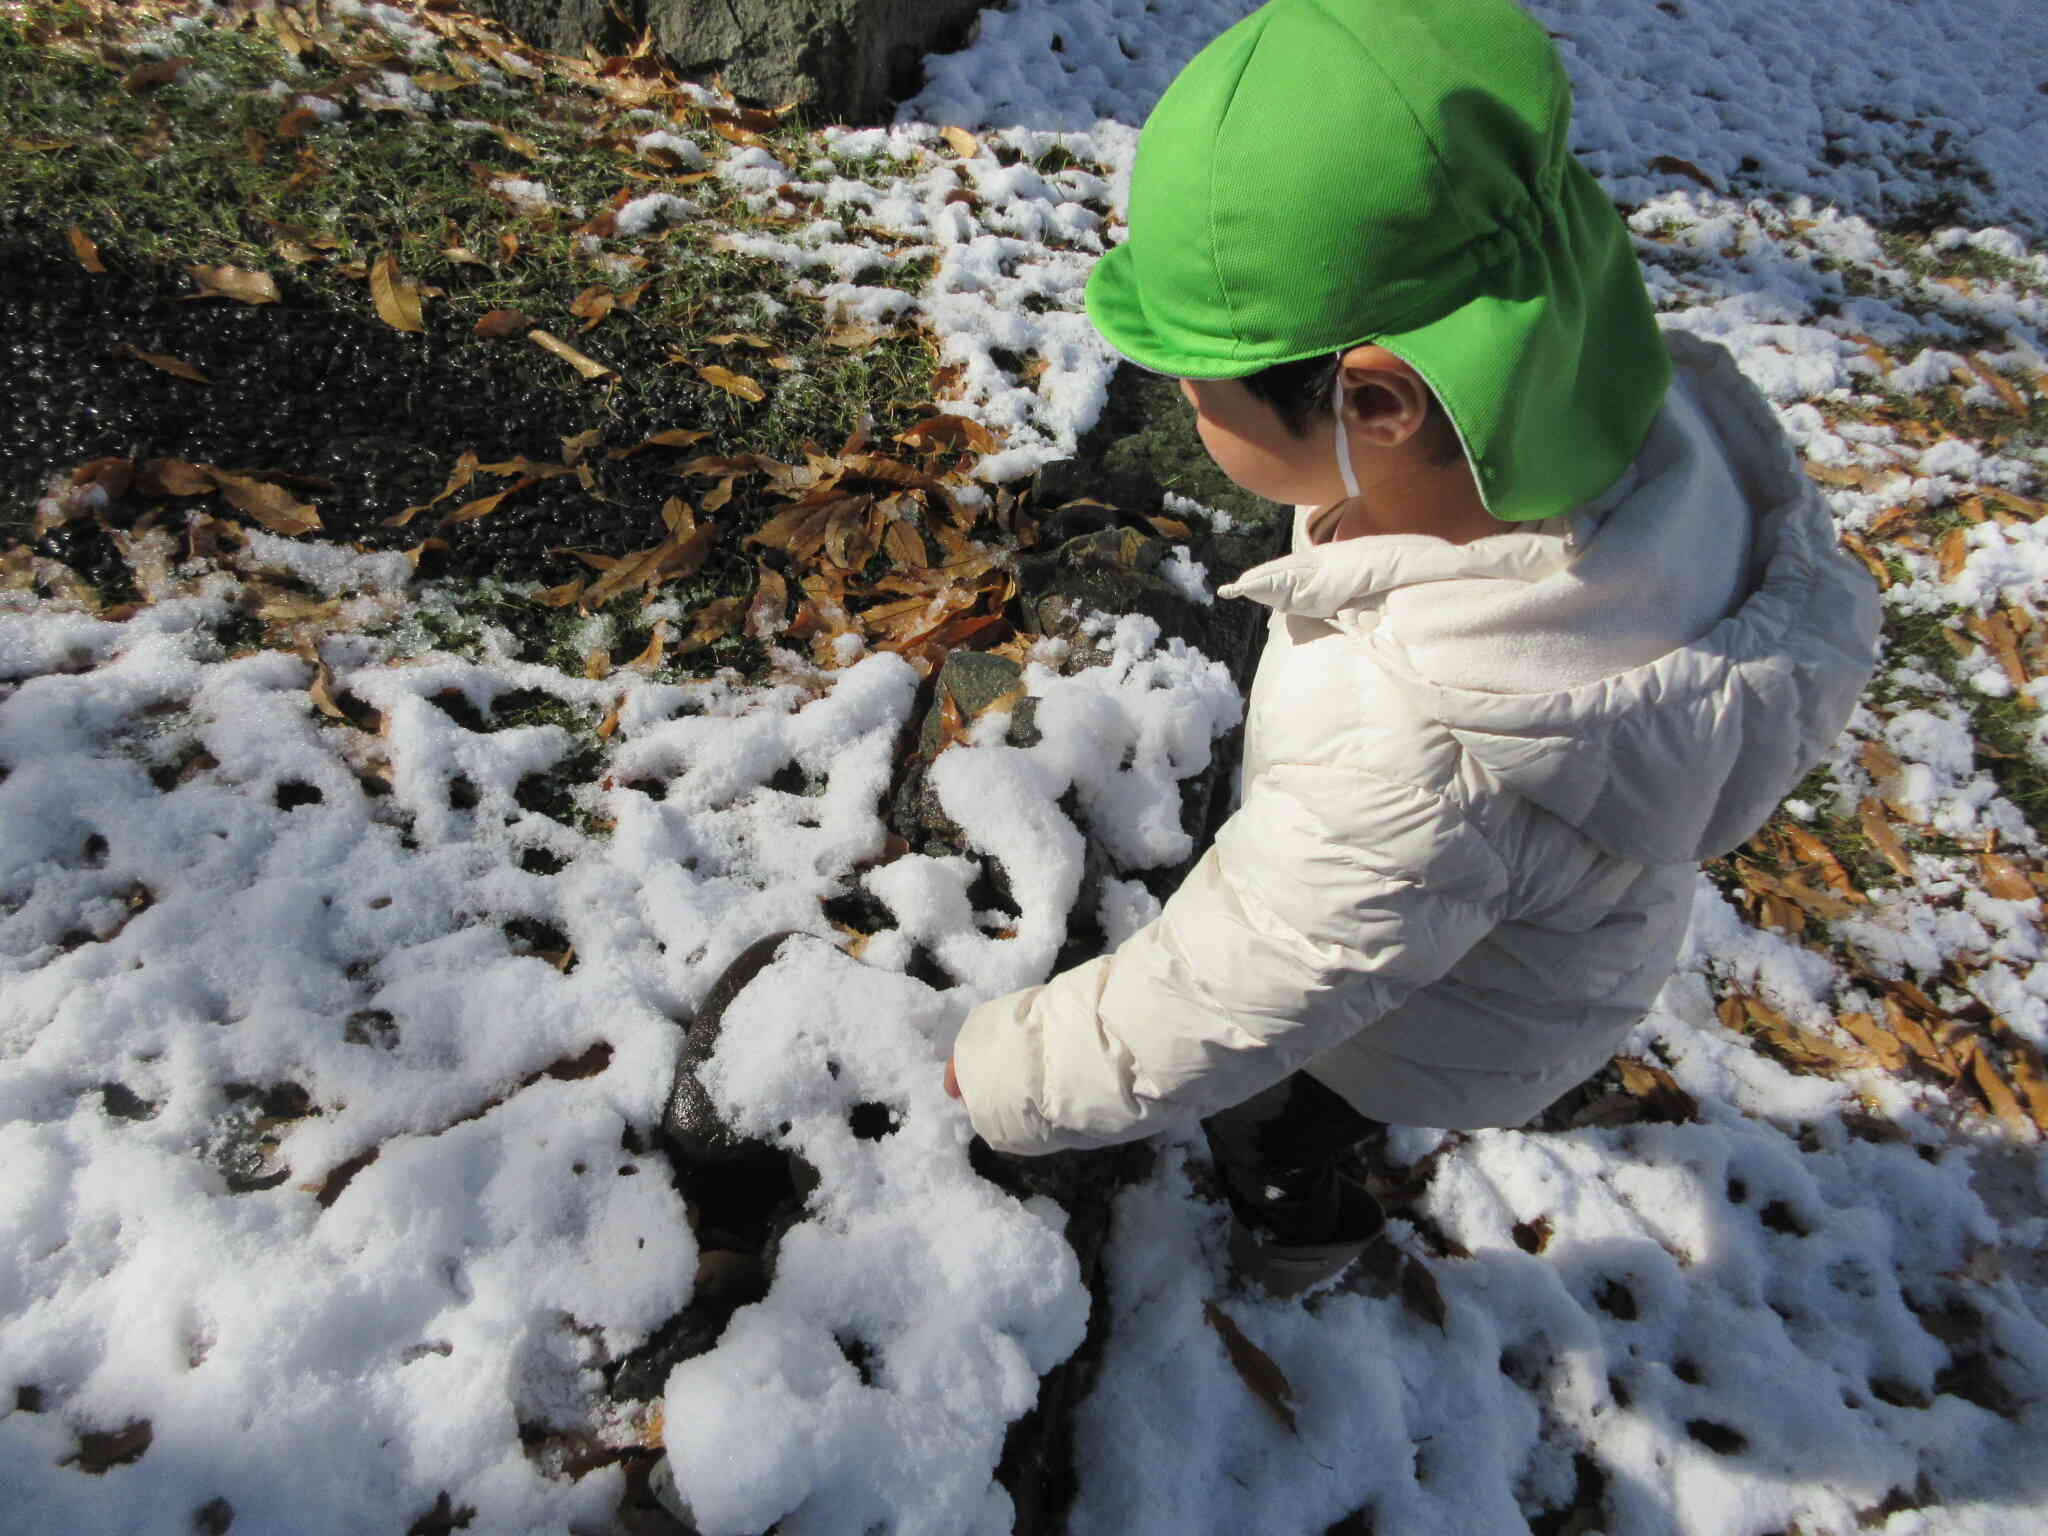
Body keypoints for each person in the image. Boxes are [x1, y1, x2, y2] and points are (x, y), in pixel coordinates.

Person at [941, 0, 1882, 1296]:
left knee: (1287, 1112)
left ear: (1376, 401)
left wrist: (1007, 1076)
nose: (1183, 406)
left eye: (1197, 385)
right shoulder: (1641, 431)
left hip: (1413, 1027)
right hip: (1548, 945)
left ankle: (1302, 1231)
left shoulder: (1412, 748)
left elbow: (1226, 999)